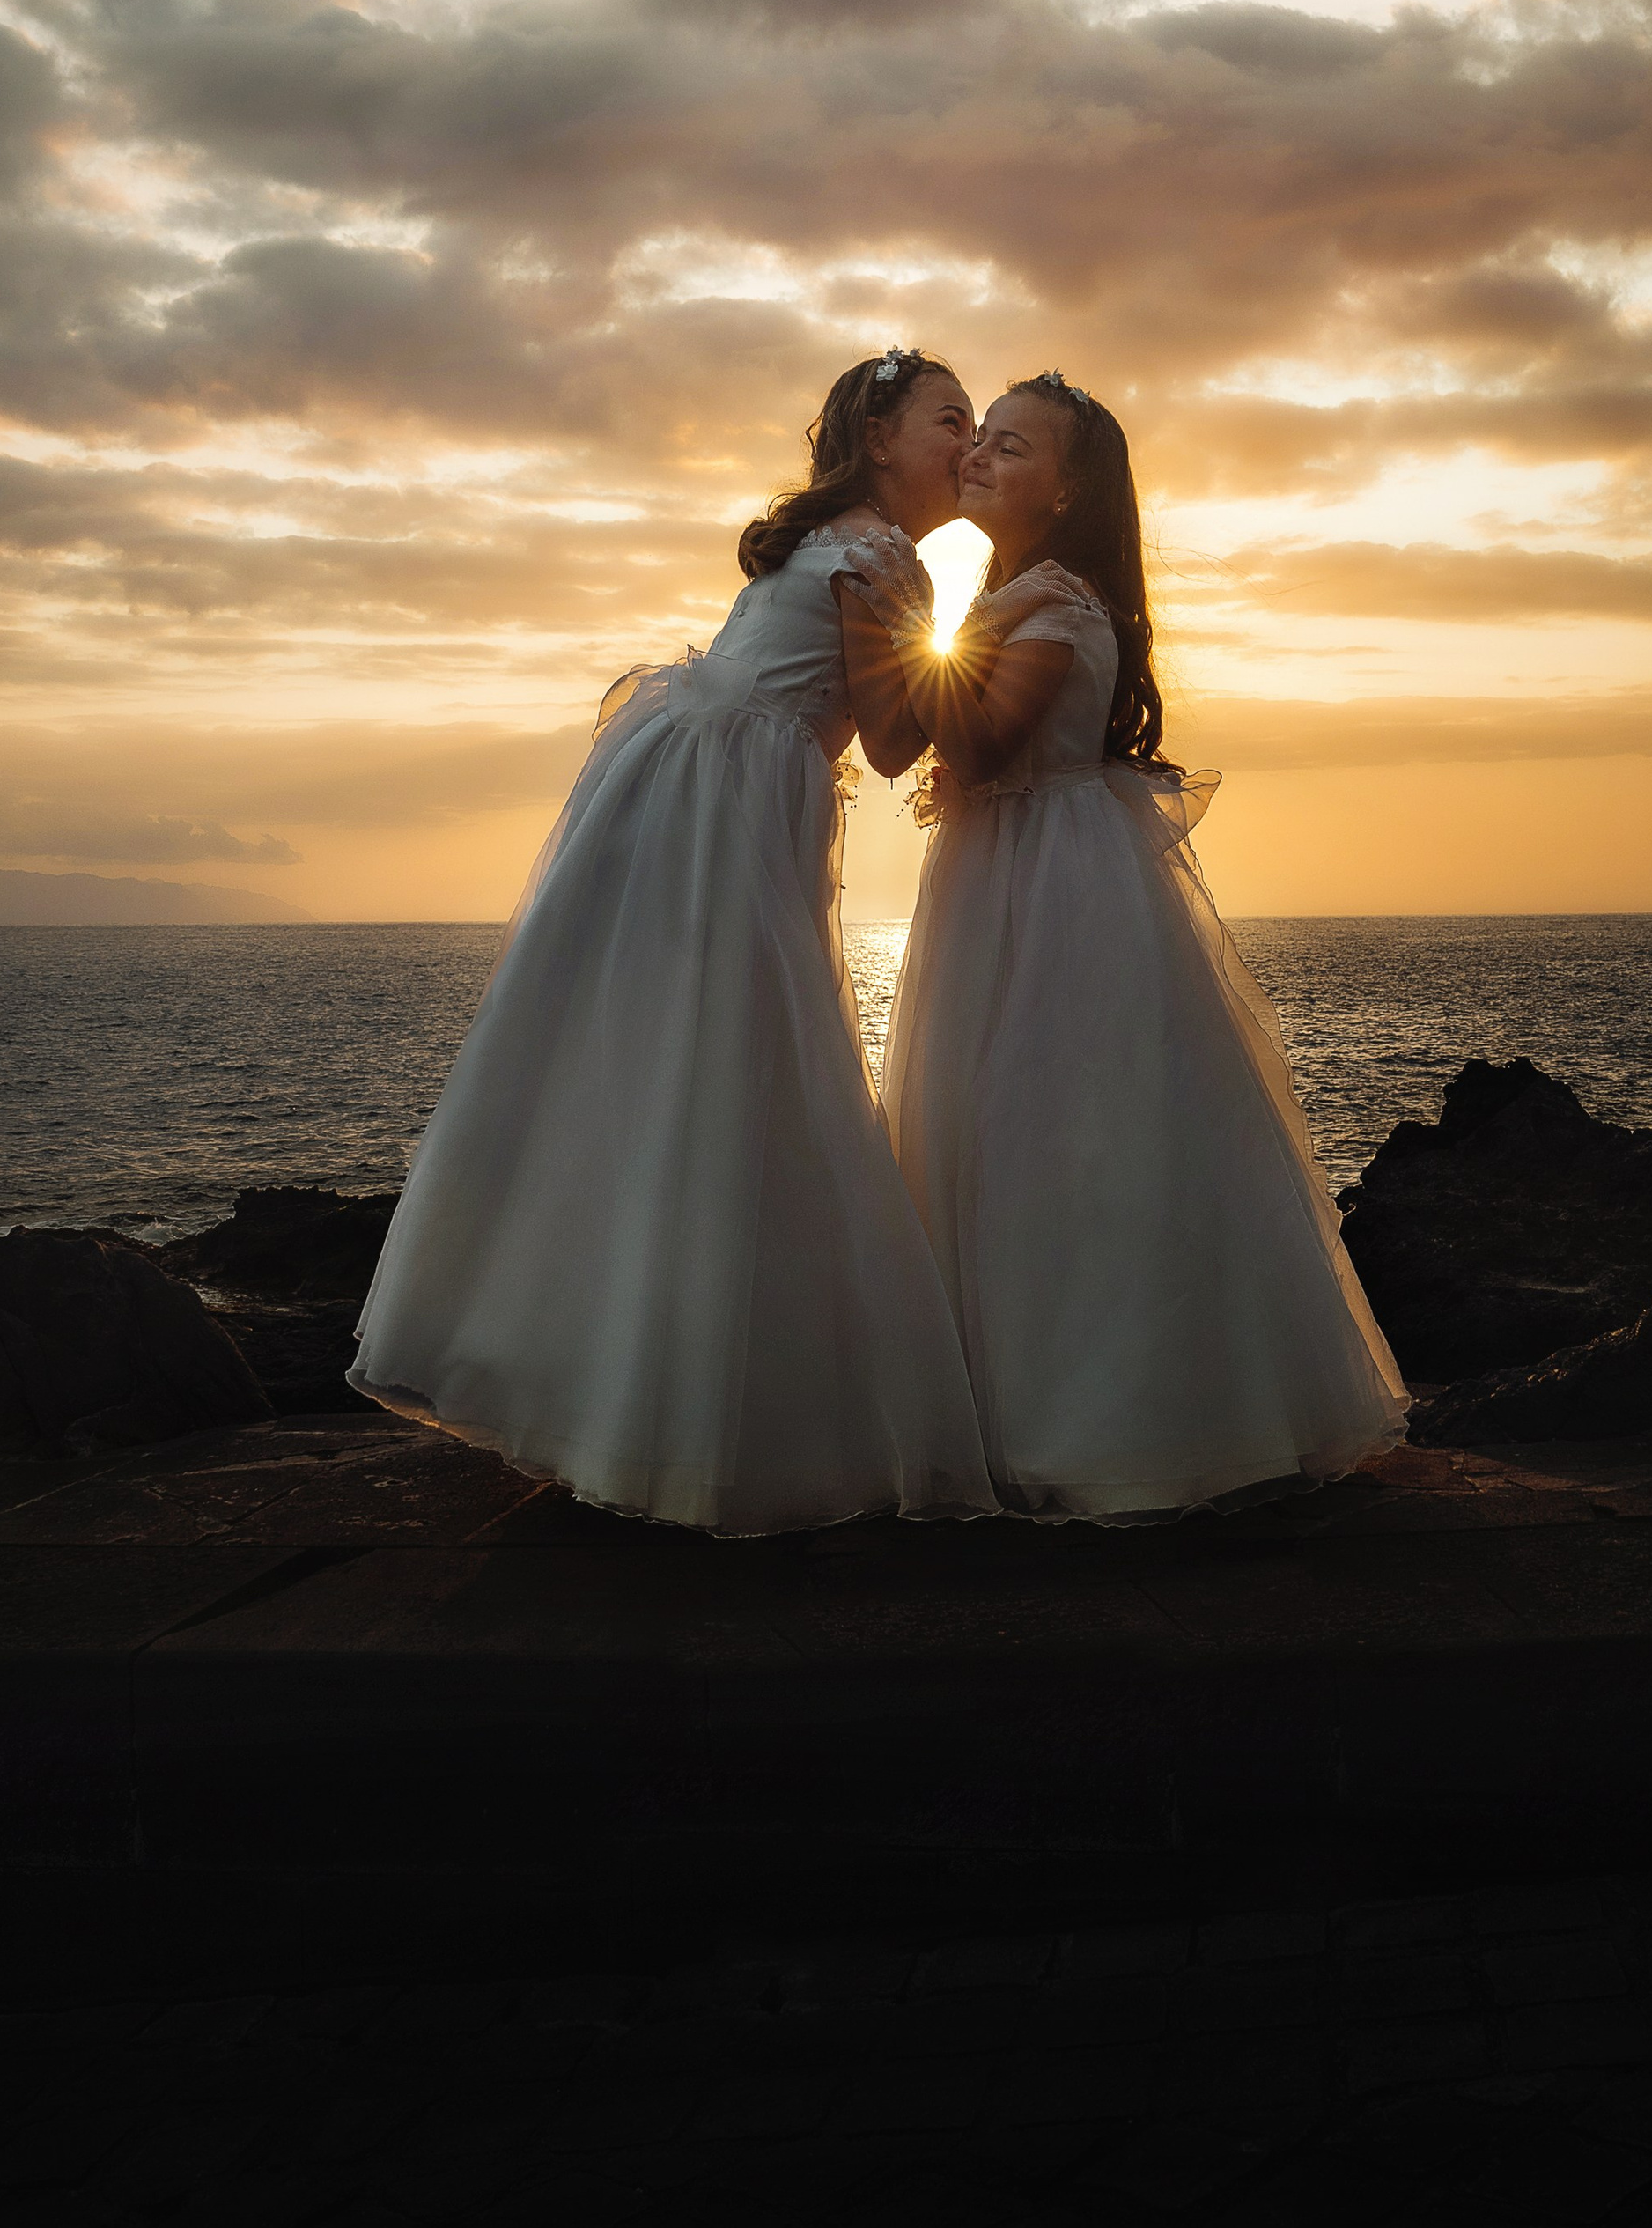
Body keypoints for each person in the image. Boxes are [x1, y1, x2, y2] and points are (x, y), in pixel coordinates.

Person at [348, 348, 999, 1535]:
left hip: (695, 801)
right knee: (736, 1076)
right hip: (732, 818)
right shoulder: (882, 554)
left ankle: (613, 1381)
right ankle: (697, 1405)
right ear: (879, 440)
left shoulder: (828, 544)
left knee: (660, 1069)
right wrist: (996, 662)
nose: (969, 439)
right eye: (950, 417)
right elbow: (898, 741)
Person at [861, 371, 1408, 1521]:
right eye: (981, 439)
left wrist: (898, 616)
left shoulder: (1061, 605)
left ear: (1067, 496)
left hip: (1058, 903)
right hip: (997, 884)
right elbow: (909, 743)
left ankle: (1105, 1425)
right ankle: (1004, 1413)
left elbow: (981, 732)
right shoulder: (1010, 594)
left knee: (1063, 1144)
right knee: (980, 1142)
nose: (981, 457)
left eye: (1011, 449)